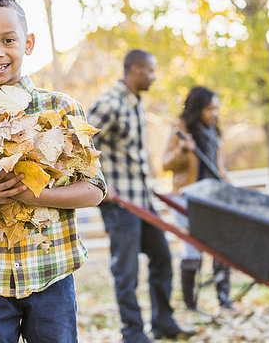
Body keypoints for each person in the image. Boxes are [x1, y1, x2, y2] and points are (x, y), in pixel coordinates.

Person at [0, 0, 106, 342]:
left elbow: (94, 190)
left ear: (28, 43)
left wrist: (37, 195)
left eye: (8, 40)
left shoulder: (59, 110)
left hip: (52, 277)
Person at [88, 50, 195, 343]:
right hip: (120, 205)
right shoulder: (111, 103)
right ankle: (132, 334)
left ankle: (163, 323)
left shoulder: (135, 103)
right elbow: (79, 142)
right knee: (127, 272)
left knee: (162, 259)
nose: (154, 75)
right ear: (134, 70)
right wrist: (101, 186)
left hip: (141, 200)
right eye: (150, 70)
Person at [162, 86, 232, 310]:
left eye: (216, 109)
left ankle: (224, 299)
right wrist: (183, 149)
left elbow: (218, 168)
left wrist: (230, 186)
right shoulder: (180, 129)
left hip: (212, 197)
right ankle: (191, 304)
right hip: (187, 197)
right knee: (192, 248)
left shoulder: (214, 133)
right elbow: (165, 163)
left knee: (222, 246)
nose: (214, 114)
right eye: (210, 109)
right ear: (198, 108)